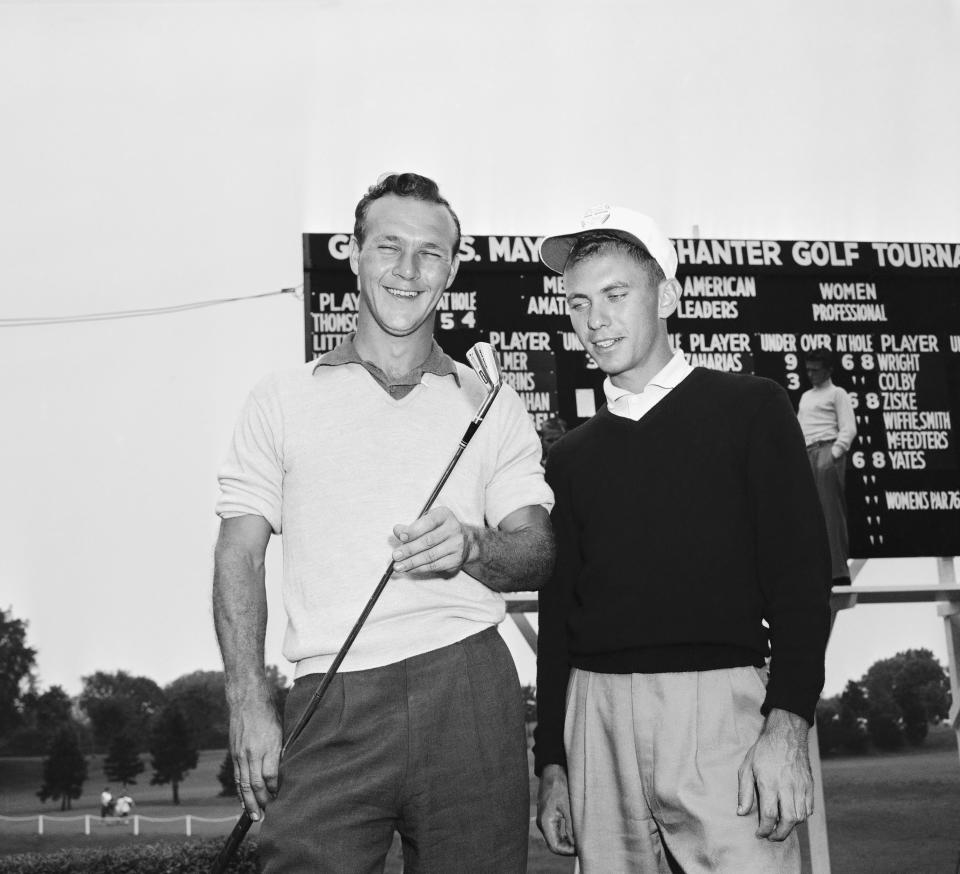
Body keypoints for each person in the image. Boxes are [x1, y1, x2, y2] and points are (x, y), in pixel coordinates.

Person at [213, 172, 554, 874]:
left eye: (430, 253)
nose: (408, 270)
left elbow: (538, 551)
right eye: (388, 247)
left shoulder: (491, 403)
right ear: (356, 254)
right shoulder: (280, 399)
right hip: (329, 696)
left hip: (468, 684)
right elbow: (238, 555)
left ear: (453, 269)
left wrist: (471, 544)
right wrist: (248, 700)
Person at [533, 205, 832, 873]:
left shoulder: (751, 407)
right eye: (578, 303)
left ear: (667, 295)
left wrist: (788, 722)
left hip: (718, 708)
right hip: (596, 711)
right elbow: (559, 620)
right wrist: (551, 760)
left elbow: (800, 580)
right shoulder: (570, 457)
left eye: (616, 295)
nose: (596, 319)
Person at [798, 348, 857, 586]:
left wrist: (834, 452)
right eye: (808, 370)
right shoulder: (805, 396)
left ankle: (838, 572)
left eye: (816, 370)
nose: (810, 374)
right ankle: (815, 570)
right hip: (807, 452)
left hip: (826, 450)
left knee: (830, 513)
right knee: (808, 514)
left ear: (828, 370)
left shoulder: (837, 393)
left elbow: (849, 427)